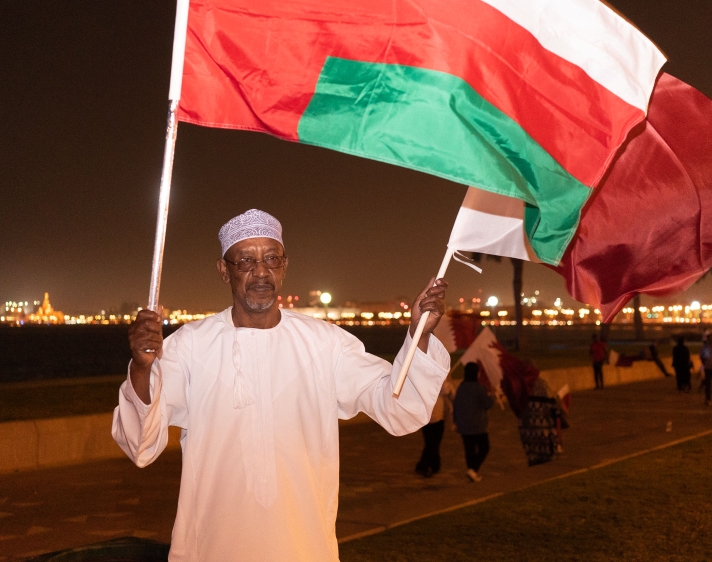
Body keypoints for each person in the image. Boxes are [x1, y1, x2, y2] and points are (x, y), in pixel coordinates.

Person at [112, 209, 451, 561]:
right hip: (212, 549)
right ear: (223, 270)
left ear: (285, 266)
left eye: (271, 258)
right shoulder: (189, 346)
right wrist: (141, 367)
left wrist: (418, 335)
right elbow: (140, 446)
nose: (261, 271)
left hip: (304, 547)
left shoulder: (325, 343)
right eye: (246, 260)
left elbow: (399, 408)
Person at [453, 362, 494, 482]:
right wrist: (492, 396)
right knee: (484, 447)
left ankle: (472, 472)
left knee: (469, 450)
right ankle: (473, 470)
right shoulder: (479, 388)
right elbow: (487, 404)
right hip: (478, 425)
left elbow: (456, 405)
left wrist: (456, 421)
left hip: (464, 425)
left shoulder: (461, 387)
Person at [517, 377, 568, 466]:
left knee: (534, 462)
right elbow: (556, 412)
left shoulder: (521, 388)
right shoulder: (542, 384)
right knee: (549, 464)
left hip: (530, 438)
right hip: (544, 438)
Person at [415, 374, 455, 477]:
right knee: (433, 442)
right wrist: (448, 380)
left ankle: (435, 464)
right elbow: (446, 391)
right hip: (436, 414)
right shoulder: (438, 376)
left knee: (430, 440)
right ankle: (423, 465)